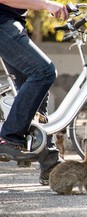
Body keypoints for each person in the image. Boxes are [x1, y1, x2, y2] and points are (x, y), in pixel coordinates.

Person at [0, 0, 68, 185]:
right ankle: (9, 138)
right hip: (3, 25)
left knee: (36, 93)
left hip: (11, 25)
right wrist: (47, 5)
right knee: (44, 72)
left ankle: (50, 165)